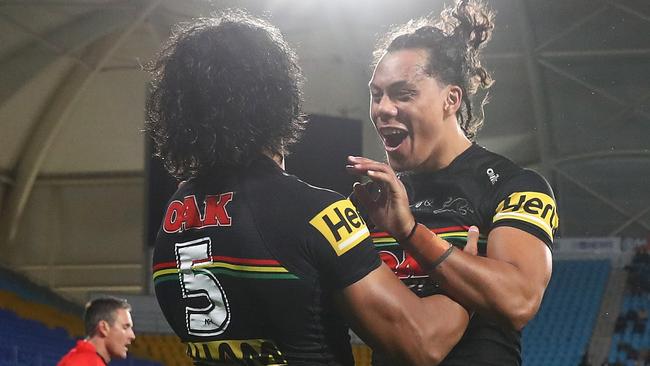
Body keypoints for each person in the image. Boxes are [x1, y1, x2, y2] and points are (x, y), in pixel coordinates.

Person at [146, 9, 479, 366]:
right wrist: (465, 274)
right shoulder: (316, 211)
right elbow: (420, 342)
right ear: (276, 97)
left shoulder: (173, 218)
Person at [346, 0, 558, 364]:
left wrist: (410, 232)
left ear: (451, 99)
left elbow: (518, 301)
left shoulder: (513, 186)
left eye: (403, 93)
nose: (382, 108)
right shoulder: (371, 201)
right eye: (376, 94)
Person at [57, 296, 136, 365]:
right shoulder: (82, 363)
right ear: (104, 328)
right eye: (125, 327)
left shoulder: (88, 360)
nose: (132, 336)